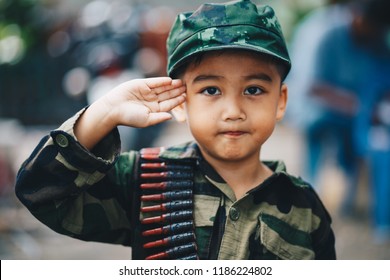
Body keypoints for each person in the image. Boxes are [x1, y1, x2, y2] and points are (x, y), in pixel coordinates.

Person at [14, 0, 336, 260]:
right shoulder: (141, 179)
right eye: (211, 90)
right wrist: (104, 112)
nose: (234, 112)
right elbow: (39, 192)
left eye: (253, 90)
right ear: (180, 102)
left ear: (280, 102)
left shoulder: (306, 209)